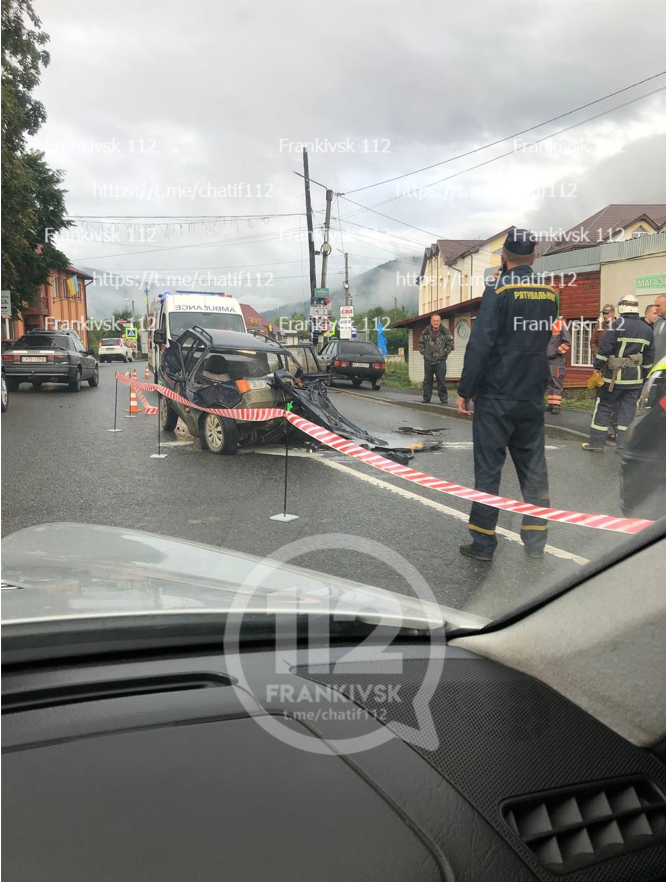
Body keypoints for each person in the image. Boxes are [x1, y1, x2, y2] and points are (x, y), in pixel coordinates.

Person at [456, 228, 558, 562]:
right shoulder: (549, 293)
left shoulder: (498, 289)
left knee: (488, 471)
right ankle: (536, 542)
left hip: (497, 395)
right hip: (531, 394)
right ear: (534, 256)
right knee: (534, 471)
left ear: (504, 255)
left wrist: (465, 390)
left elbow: (481, 343)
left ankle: (484, 543)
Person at [582, 295, 654, 453]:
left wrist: (597, 368)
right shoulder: (647, 329)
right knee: (627, 413)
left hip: (612, 379)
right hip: (634, 380)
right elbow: (649, 357)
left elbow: (604, 351)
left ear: (621, 308)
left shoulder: (615, 326)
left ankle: (596, 444)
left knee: (604, 409)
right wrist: (646, 375)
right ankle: (623, 446)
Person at [419, 313, 453, 404]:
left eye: (437, 321)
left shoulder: (445, 331)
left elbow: (450, 344)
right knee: (427, 380)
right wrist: (424, 353)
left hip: (440, 361)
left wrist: (444, 353)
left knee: (441, 381)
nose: (436, 322)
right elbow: (420, 344)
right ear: (431, 321)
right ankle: (426, 398)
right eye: (434, 321)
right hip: (428, 361)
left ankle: (443, 398)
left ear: (440, 321)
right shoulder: (425, 331)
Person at [546, 317, 571, 414]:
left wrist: (556, 352)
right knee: (550, 381)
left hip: (557, 360)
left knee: (556, 381)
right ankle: (551, 403)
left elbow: (567, 342)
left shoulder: (560, 324)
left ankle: (557, 405)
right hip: (547, 360)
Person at [653, 294, 666, 364]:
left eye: (658, 305)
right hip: (656, 365)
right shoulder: (657, 322)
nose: (656, 308)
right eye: (655, 306)